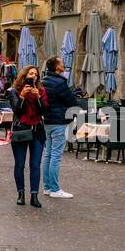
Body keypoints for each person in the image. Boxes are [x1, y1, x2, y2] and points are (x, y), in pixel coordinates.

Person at [40, 56, 84, 199]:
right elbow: (71, 101)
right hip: (59, 120)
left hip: (47, 120)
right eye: (61, 63)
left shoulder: (44, 81)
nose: (63, 64)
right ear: (57, 67)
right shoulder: (60, 82)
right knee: (56, 156)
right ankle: (55, 188)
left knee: (48, 154)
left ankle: (47, 187)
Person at [8, 67, 46, 208]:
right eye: (31, 74)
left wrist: (38, 98)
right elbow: (17, 110)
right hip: (21, 130)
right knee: (20, 164)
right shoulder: (14, 92)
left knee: (35, 165)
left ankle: (34, 196)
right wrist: (22, 96)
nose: (33, 76)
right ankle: (21, 194)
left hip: (37, 131)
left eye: (36, 74)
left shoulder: (41, 91)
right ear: (24, 75)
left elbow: (43, 111)